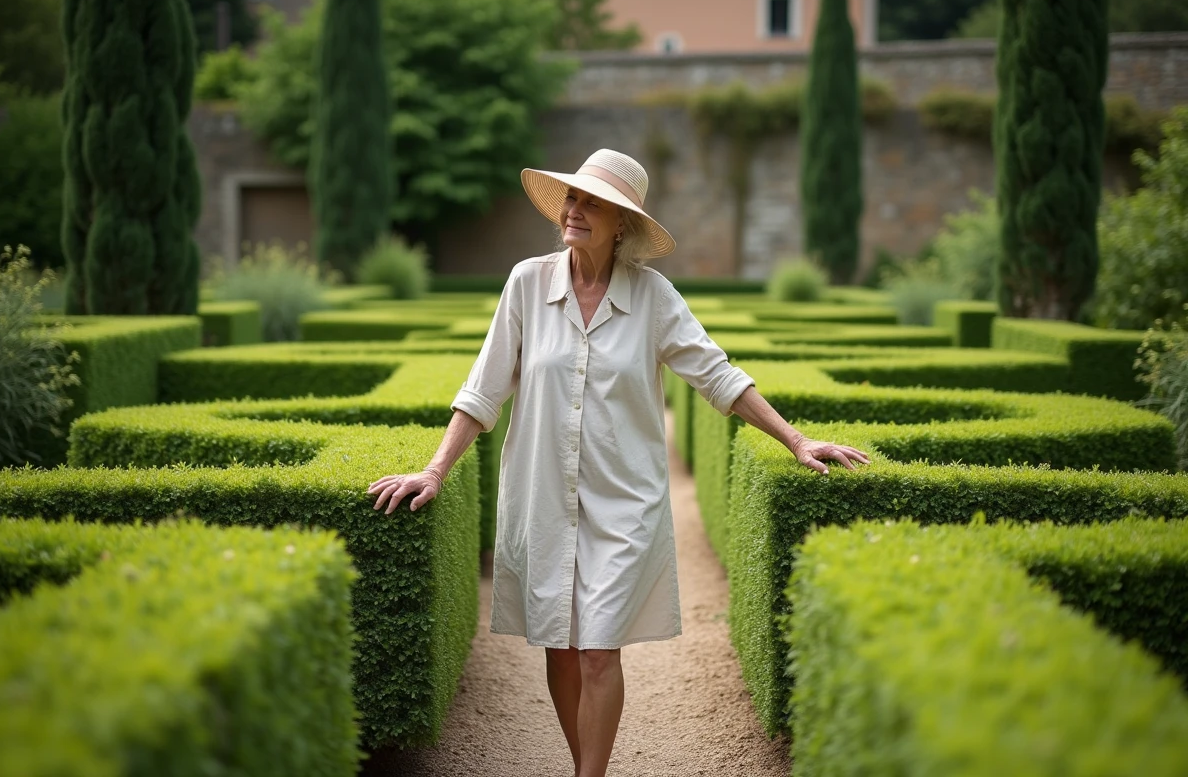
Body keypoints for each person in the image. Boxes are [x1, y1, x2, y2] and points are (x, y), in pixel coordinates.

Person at [367, 148, 869, 777]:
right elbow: (484, 387)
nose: (574, 211)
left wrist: (796, 440)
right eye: (571, 200)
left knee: (599, 649)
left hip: (625, 503)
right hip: (543, 496)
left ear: (621, 224)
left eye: (592, 204)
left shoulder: (654, 297)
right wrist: (434, 470)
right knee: (561, 644)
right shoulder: (526, 283)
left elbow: (716, 374)